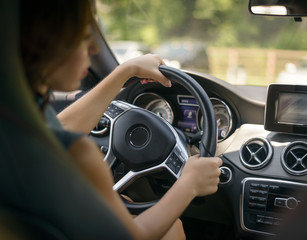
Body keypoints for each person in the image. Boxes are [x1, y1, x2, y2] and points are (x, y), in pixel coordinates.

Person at [20, 0, 222, 239]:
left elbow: (60, 130)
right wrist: (189, 184)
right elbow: (134, 235)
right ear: (41, 42)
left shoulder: (19, 122)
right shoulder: (80, 153)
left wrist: (127, 70)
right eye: (83, 37)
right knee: (171, 227)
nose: (95, 48)